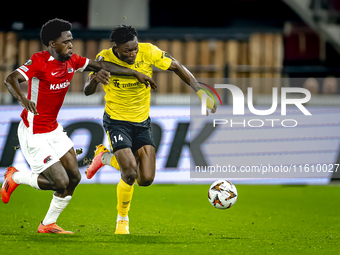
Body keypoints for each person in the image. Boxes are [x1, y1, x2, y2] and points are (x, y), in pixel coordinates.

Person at [1, 19, 155, 234]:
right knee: (60, 182)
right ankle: (15, 177)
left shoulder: (72, 60)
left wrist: (134, 73)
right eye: (66, 41)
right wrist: (22, 99)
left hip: (53, 129)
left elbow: (101, 65)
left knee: (74, 178)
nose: (71, 45)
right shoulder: (39, 61)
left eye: (72, 40)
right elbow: (11, 79)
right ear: (53, 43)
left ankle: (47, 224)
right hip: (34, 132)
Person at [84, 25, 216, 234]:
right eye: (128, 50)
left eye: (135, 48)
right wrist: (94, 80)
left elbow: (177, 66)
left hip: (142, 122)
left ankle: (104, 158)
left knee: (145, 179)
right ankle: (122, 221)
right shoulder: (103, 58)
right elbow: (87, 91)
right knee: (129, 172)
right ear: (116, 48)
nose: (133, 53)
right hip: (117, 121)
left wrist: (199, 91)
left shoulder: (149, 51)